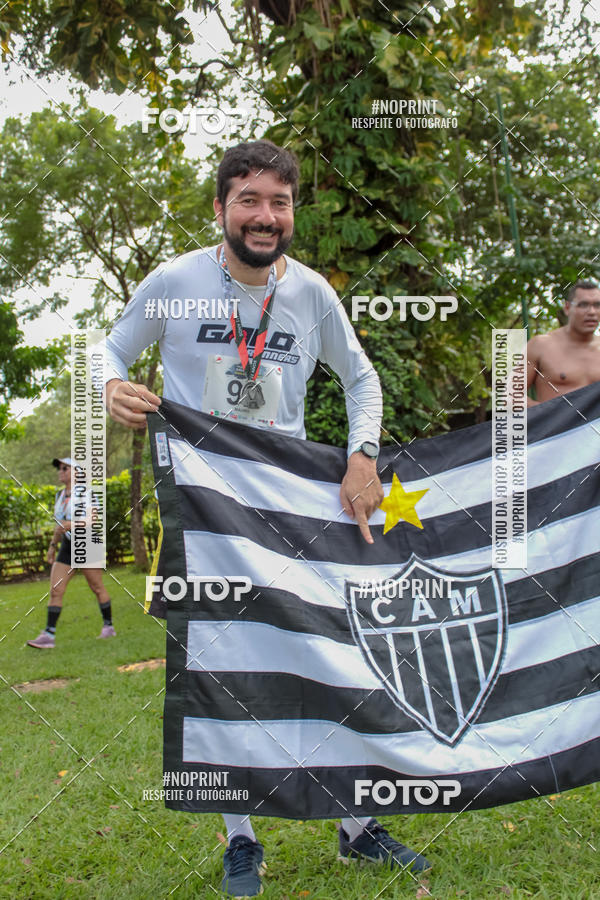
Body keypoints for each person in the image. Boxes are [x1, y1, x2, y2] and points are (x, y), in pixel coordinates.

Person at [103, 140, 431, 897]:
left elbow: (361, 379)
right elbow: (108, 350)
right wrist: (112, 385)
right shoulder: (175, 281)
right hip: (205, 505)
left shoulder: (311, 291)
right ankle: (241, 839)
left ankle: (358, 824)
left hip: (295, 500)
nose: (264, 215)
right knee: (220, 666)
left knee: (330, 650)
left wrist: (362, 455)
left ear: (291, 214)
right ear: (220, 208)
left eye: (278, 203)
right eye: (248, 200)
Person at [27, 457, 116, 648]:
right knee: (56, 589)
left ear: (77, 472)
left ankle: (108, 627)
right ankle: (48, 636)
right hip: (67, 546)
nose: (61, 471)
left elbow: (93, 519)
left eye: (65, 468)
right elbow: (58, 526)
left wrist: (72, 525)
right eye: (60, 468)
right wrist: (52, 546)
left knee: (97, 587)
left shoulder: (87, 493)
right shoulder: (60, 496)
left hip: (88, 543)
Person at [526, 280, 600, 405]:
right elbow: (510, 396)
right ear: (567, 308)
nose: (592, 312)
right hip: (555, 424)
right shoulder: (540, 345)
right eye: (583, 305)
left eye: (597, 305)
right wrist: (551, 415)